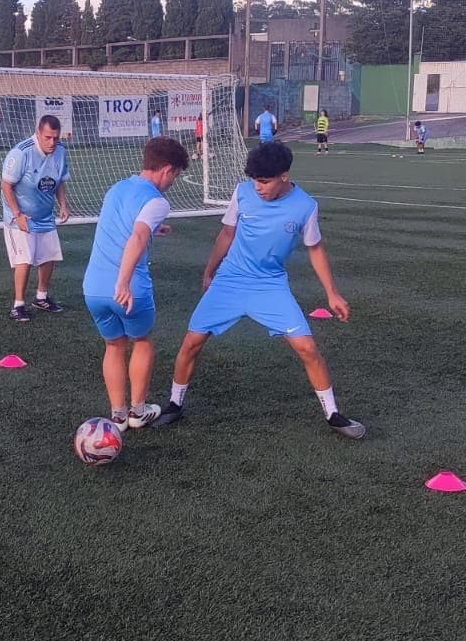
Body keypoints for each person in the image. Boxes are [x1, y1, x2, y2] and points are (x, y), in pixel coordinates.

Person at [155, 138, 365, 439]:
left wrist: (332, 292)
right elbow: (227, 235)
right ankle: (175, 404)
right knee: (191, 342)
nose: (258, 187)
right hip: (231, 280)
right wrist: (209, 271)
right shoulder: (242, 193)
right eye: (254, 180)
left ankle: (333, 413)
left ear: (284, 176)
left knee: (307, 347)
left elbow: (315, 248)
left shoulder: (305, 206)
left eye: (264, 181)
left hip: (270, 286)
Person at [83, 136, 189, 432]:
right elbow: (138, 236)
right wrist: (125, 282)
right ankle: (138, 412)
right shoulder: (157, 201)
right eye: (176, 175)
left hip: (93, 287)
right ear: (166, 169)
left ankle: (117, 416)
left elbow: (124, 225)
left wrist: (157, 227)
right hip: (127, 289)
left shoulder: (116, 188)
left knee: (113, 346)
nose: (173, 181)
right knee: (142, 342)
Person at [1, 114, 70, 322]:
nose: (52, 142)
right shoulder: (21, 152)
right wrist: (17, 215)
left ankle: (41, 297)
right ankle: (18, 305)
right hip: (21, 216)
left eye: (56, 138)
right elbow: (6, 185)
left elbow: (59, 182)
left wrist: (64, 205)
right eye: (48, 137)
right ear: (38, 133)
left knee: (49, 257)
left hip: (45, 214)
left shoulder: (61, 152)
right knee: (25, 259)